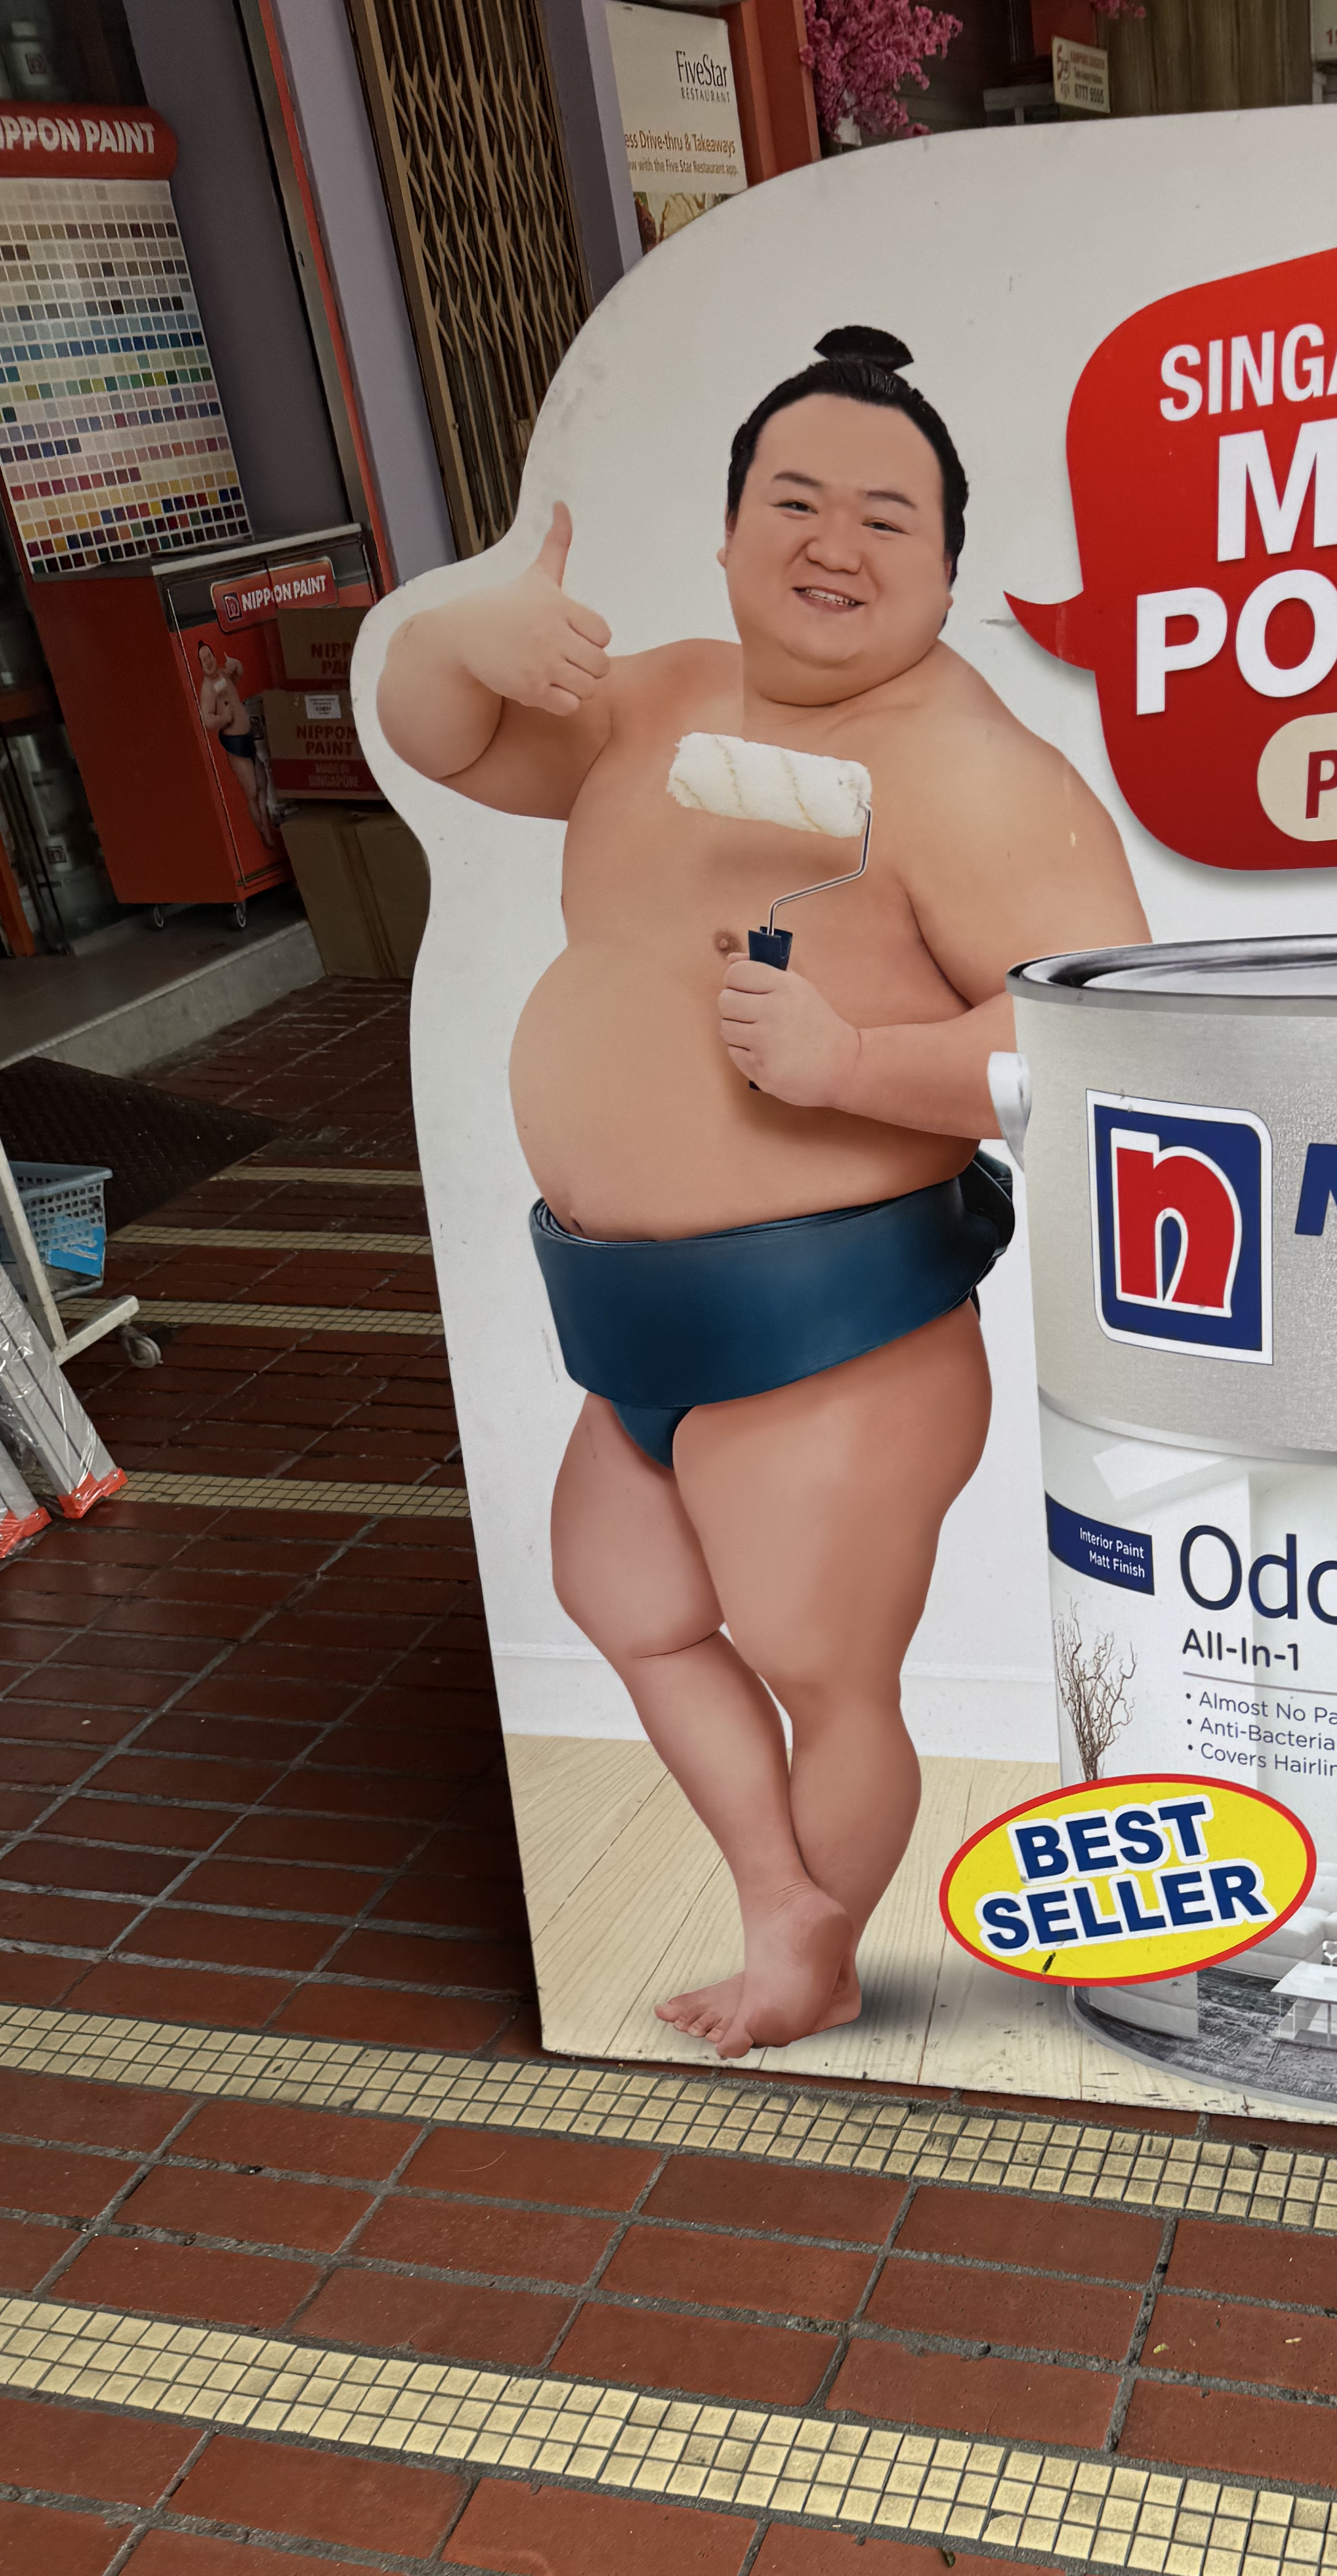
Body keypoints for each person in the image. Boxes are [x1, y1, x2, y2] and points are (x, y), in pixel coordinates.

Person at [377, 327, 1148, 2057]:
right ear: (728, 537)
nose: (834, 543)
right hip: (622, 1316)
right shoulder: (650, 702)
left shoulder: (973, 775)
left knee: (818, 1663)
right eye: (795, 501)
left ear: (949, 567)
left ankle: (815, 1952)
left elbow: (1100, 1035)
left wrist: (851, 1063)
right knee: (630, 1606)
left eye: (887, 516)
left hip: (834, 1329)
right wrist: (450, 644)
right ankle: (779, 1892)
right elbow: (454, 743)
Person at [197, 642, 273, 843]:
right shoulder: (208, 688)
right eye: (203, 660)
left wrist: (235, 665)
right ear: (201, 665)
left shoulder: (223, 674)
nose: (208, 662)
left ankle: (267, 827)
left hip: (249, 736)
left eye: (209, 657)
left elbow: (238, 676)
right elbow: (207, 719)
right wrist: (223, 718)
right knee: (253, 792)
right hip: (235, 743)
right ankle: (264, 833)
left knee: (263, 785)